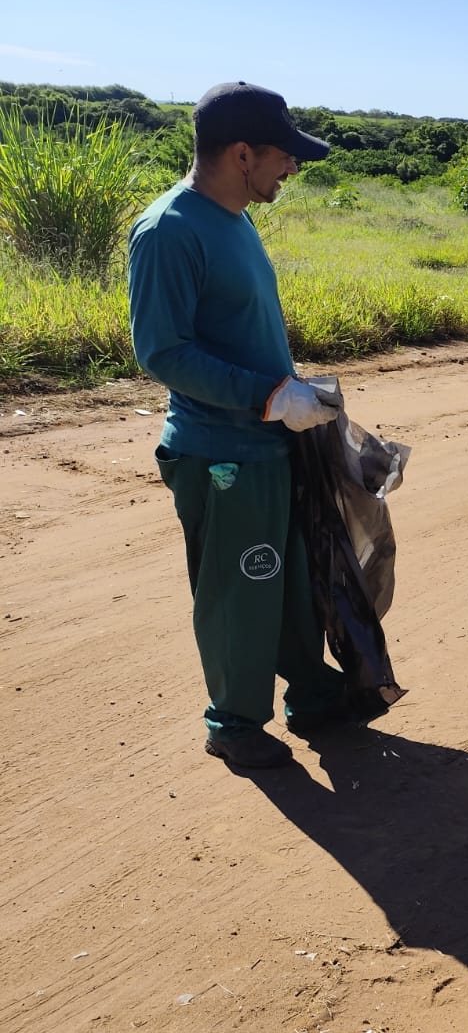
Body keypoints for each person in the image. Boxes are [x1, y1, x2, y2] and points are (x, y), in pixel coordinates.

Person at [128, 81, 355, 770]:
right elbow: (163, 351)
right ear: (243, 152)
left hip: (267, 441)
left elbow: (235, 329)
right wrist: (268, 397)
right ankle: (233, 721)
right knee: (241, 588)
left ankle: (312, 692)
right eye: (287, 158)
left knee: (289, 581)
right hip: (220, 451)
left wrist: (290, 394)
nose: (294, 170)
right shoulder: (170, 229)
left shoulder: (235, 218)